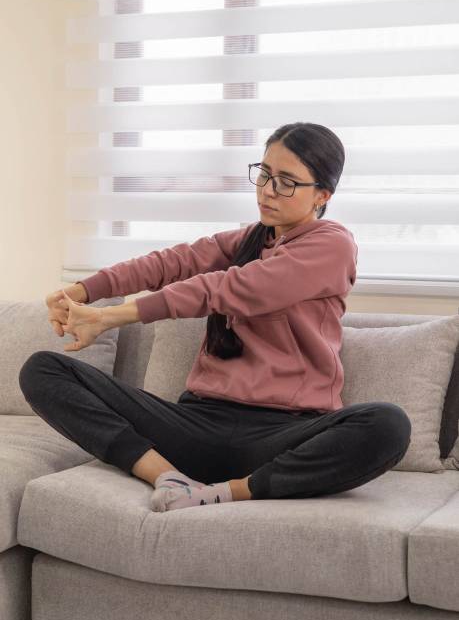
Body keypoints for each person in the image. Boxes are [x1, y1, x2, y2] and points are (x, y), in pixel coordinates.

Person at [18, 121, 411, 513]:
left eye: (287, 182)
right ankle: (167, 476)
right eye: (264, 174)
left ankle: (230, 492)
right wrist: (81, 290)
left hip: (281, 435)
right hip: (196, 426)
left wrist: (109, 317)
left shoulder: (332, 245)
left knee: (388, 424)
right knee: (43, 370)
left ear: (322, 194)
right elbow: (172, 262)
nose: (267, 191)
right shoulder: (251, 238)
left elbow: (232, 288)